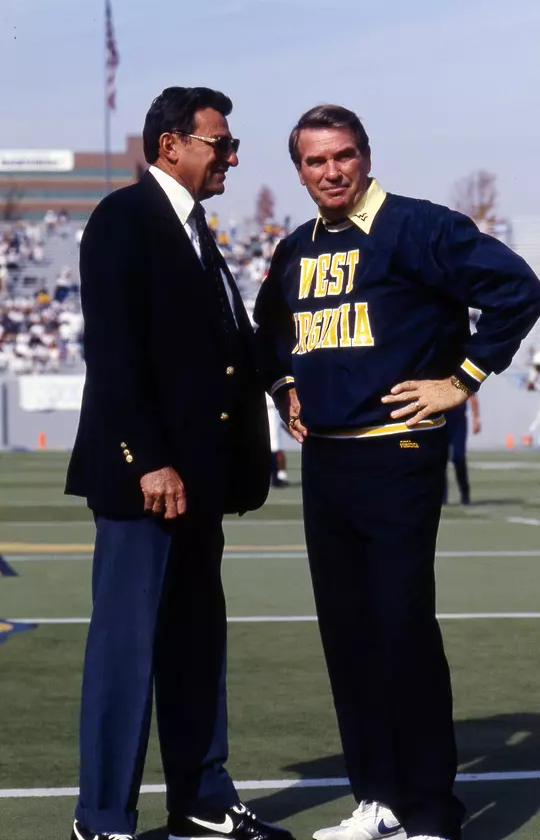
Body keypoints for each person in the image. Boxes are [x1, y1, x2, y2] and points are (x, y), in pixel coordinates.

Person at [254, 104, 540, 840]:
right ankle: (375, 798)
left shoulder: (418, 227)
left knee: (402, 630)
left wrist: (463, 378)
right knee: (347, 635)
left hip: (399, 456)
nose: (331, 171)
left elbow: (519, 288)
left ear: (365, 155)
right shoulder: (294, 250)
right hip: (328, 464)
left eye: (342, 155)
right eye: (315, 161)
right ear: (299, 170)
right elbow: (267, 332)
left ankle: (431, 812)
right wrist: (287, 388)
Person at [65, 86, 291, 840]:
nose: (231, 154)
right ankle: (102, 818)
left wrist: (288, 378)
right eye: (219, 143)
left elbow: (229, 351)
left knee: (198, 644)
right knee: (127, 650)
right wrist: (149, 461)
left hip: (199, 484)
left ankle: (201, 797)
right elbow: (116, 352)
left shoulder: (198, 230)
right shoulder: (124, 219)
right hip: (148, 483)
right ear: (170, 145)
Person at [442, 394, 480, 505]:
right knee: (440, 458)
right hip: (440, 419)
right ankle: (442, 497)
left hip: (458, 421)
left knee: (458, 456)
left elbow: (472, 395)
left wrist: (476, 418)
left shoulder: (461, 376)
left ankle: (464, 491)